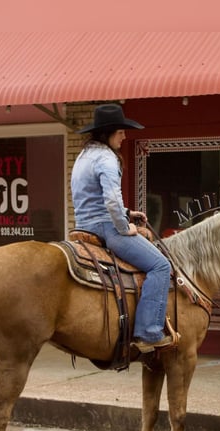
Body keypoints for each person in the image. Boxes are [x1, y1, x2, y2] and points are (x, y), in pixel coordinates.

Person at [71, 103, 173, 353]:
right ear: (108, 133)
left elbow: (91, 198)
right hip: (107, 228)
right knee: (161, 265)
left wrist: (128, 213)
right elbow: (111, 201)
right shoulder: (106, 158)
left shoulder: (84, 155)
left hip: (83, 226)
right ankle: (148, 332)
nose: (125, 136)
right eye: (120, 132)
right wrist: (124, 225)